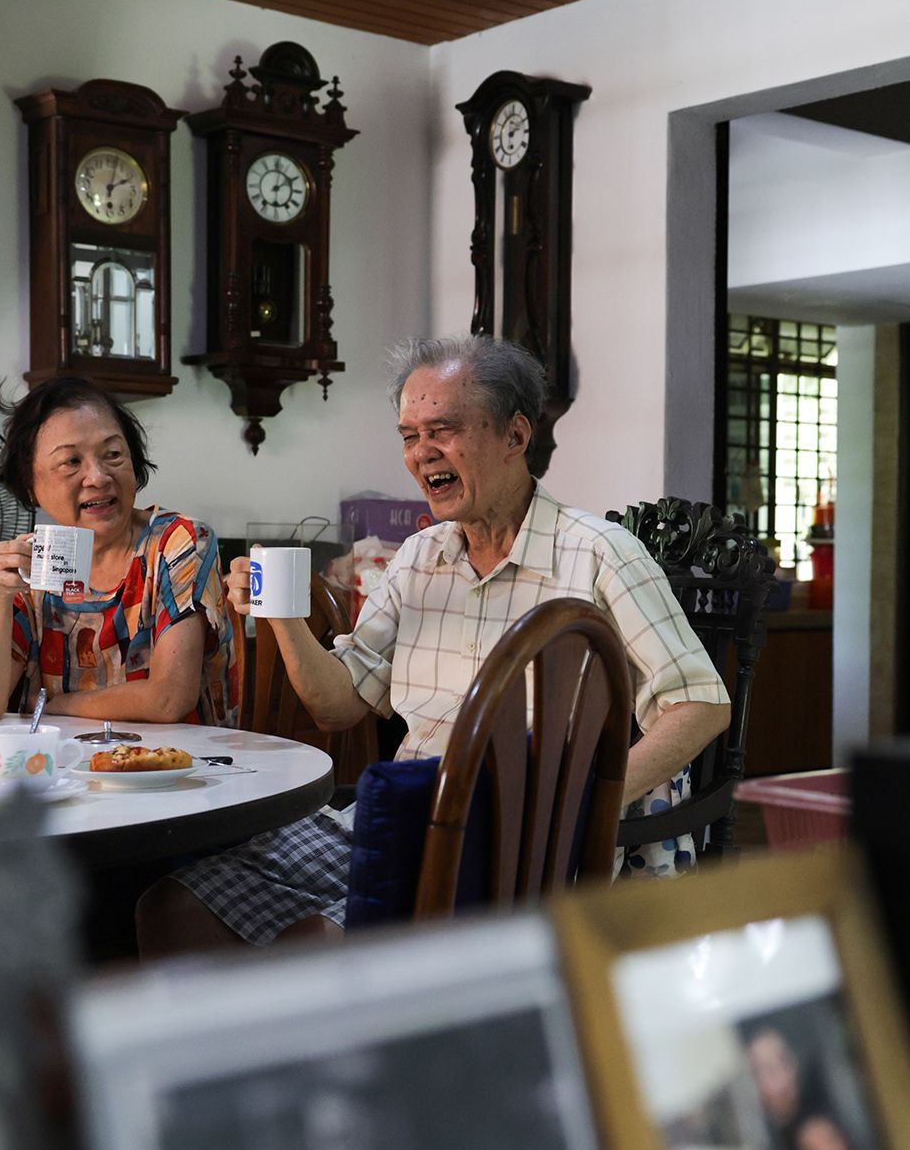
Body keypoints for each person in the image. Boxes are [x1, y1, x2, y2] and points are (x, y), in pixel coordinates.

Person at [135, 335, 730, 954]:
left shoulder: (599, 553)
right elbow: (337, 706)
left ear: (515, 435)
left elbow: (702, 703)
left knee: (310, 944)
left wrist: (580, 802)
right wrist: (281, 615)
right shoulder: (419, 556)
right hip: (406, 814)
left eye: (442, 430)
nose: (422, 454)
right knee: (175, 906)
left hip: (520, 841)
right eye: (409, 436)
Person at [0, 377, 239, 726]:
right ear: (31, 486)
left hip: (176, 769)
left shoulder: (178, 542)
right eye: (71, 462)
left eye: (113, 454)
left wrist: (56, 705)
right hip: (59, 772)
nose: (98, 477)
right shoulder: (32, 563)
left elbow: (168, 698)